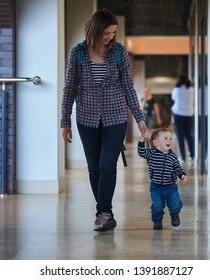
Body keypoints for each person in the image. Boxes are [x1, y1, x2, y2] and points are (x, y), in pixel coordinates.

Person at [60, 9, 148, 232]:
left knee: (107, 164)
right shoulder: (77, 53)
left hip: (116, 116)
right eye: (107, 33)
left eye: (113, 33)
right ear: (96, 29)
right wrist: (65, 120)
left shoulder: (119, 52)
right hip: (86, 117)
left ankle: (103, 212)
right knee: (94, 167)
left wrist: (139, 119)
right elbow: (69, 87)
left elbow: (128, 87)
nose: (110, 37)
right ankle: (104, 213)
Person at [137, 127, 187, 230]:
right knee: (157, 206)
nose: (169, 141)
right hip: (156, 187)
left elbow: (178, 167)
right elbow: (142, 152)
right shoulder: (151, 154)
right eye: (165, 138)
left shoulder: (173, 156)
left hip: (171, 187)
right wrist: (142, 141)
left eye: (170, 138)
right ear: (156, 143)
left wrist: (181, 174)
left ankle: (174, 214)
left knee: (175, 204)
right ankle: (157, 220)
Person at [171, 75, 194, 163]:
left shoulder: (176, 90)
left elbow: (173, 98)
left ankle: (183, 156)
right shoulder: (191, 89)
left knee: (180, 136)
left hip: (178, 114)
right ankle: (192, 155)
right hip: (189, 114)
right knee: (189, 135)